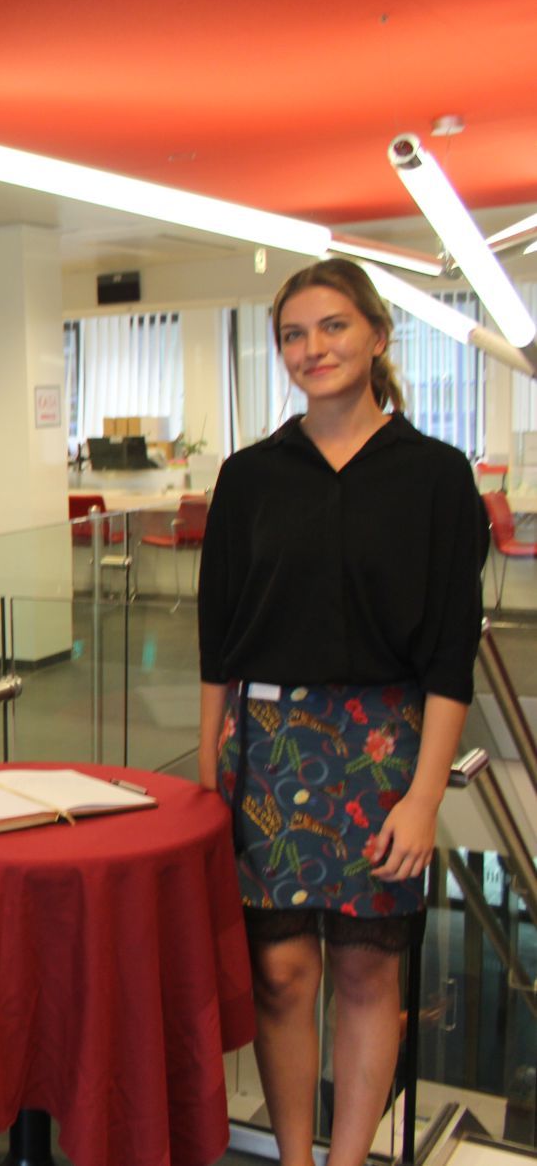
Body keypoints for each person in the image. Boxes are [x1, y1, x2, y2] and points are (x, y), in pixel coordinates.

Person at [196, 258, 486, 1166]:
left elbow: (449, 656)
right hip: (268, 746)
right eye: (293, 334)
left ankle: (347, 1161)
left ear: (376, 336)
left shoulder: (435, 477)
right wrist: (207, 772)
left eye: (332, 327)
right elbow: (217, 641)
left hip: (384, 749)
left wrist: (425, 797)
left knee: (366, 970)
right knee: (280, 974)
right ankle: (296, 1158)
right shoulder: (249, 476)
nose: (311, 348)